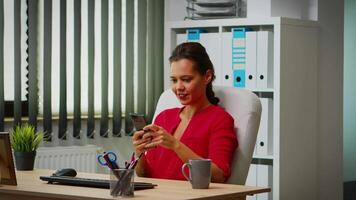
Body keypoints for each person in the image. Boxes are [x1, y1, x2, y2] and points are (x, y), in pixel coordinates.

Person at [132, 42, 238, 183]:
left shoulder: (220, 120)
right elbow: (145, 175)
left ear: (207, 77)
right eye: (174, 80)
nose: (178, 87)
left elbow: (219, 175)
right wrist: (139, 152)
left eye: (186, 80)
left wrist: (175, 145)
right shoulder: (164, 117)